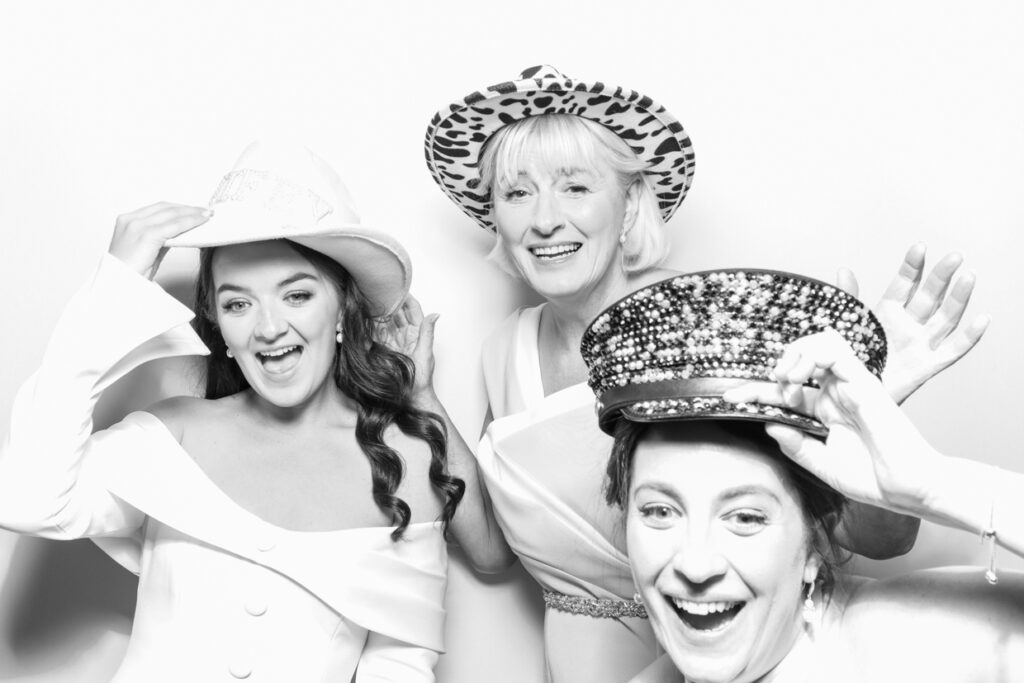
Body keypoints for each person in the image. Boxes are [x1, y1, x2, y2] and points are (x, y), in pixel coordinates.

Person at [423, 65, 990, 682]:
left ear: (631, 203)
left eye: (575, 187)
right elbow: (490, 553)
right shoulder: (502, 350)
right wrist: (421, 396)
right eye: (517, 192)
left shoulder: (716, 319)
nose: (545, 220)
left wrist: (871, 416)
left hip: (732, 652)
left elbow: (878, 540)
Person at [0, 141, 464, 682]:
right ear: (218, 325)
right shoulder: (173, 434)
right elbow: (27, 501)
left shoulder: (403, 467)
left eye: (296, 295)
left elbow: (400, 666)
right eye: (237, 303)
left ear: (342, 308)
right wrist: (113, 289)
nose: (268, 328)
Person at [584, 269, 1023, 683]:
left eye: (745, 518)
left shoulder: (909, 647)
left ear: (813, 546)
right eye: (660, 511)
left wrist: (936, 486)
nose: (696, 566)